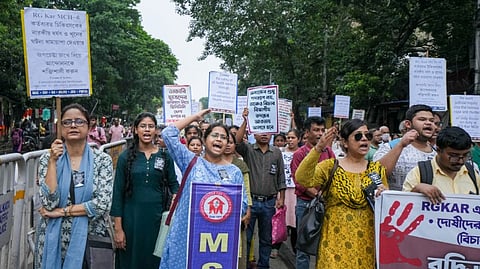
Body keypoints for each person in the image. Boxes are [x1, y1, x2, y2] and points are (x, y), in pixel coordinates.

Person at [159, 109, 247, 269]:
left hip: (216, 239)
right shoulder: (190, 162)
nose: (219, 139)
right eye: (215, 135)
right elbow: (167, 134)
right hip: (185, 235)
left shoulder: (234, 172)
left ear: (228, 144)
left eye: (224, 137)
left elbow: (242, 206)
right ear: (204, 139)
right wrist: (195, 117)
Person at [295, 119, 388, 269]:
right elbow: (302, 178)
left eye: (367, 136)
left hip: (366, 243)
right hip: (334, 240)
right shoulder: (330, 166)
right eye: (358, 136)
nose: (364, 139)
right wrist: (319, 148)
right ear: (344, 142)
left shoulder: (376, 170)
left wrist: (384, 195)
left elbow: (385, 209)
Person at [35, 103, 113, 269]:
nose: (73, 125)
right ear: (61, 127)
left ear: (89, 125)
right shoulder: (47, 159)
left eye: (79, 121)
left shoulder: (102, 161)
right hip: (52, 240)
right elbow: (49, 203)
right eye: (67, 122)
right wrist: (52, 162)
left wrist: (61, 212)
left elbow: (102, 205)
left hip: (89, 239)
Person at [110, 112, 178, 269]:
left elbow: (174, 185)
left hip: (157, 220)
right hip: (131, 221)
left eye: (151, 126)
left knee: (154, 261)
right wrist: (118, 229)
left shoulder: (164, 156)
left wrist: (176, 198)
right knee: (131, 261)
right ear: (135, 130)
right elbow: (118, 194)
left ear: (156, 130)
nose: (147, 130)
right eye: (143, 126)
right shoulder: (125, 157)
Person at [235, 107, 286, 269]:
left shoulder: (277, 152)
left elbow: (281, 176)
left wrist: (282, 197)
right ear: (253, 133)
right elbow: (236, 141)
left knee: (266, 238)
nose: (264, 134)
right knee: (247, 237)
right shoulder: (248, 149)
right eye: (260, 130)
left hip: (269, 203)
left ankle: (264, 265)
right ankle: (246, 265)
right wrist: (245, 120)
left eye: (267, 130)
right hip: (251, 202)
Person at [290, 116, 335, 269]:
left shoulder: (329, 152)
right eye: (316, 130)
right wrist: (317, 195)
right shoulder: (299, 154)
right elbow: (300, 182)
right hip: (305, 204)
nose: (320, 133)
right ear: (307, 133)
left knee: (324, 244)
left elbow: (334, 174)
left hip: (325, 205)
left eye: (322, 130)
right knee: (303, 247)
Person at [403, 126, 480, 203]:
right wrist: (417, 190)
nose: (460, 161)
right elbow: (403, 205)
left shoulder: (473, 173)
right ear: (439, 150)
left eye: (466, 155)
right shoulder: (419, 173)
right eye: (454, 156)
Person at [373, 104, 436, 190]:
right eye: (422, 119)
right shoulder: (390, 147)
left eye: (432, 121)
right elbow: (376, 175)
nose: (429, 123)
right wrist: (401, 145)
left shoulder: (437, 153)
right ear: (408, 124)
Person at [224, 131, 252, 269]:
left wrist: (248, 210)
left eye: (230, 142)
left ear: (235, 144)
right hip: (216, 212)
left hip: (236, 213)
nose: (227, 145)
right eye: (225, 141)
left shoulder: (240, 166)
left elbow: (246, 190)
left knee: (237, 247)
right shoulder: (210, 163)